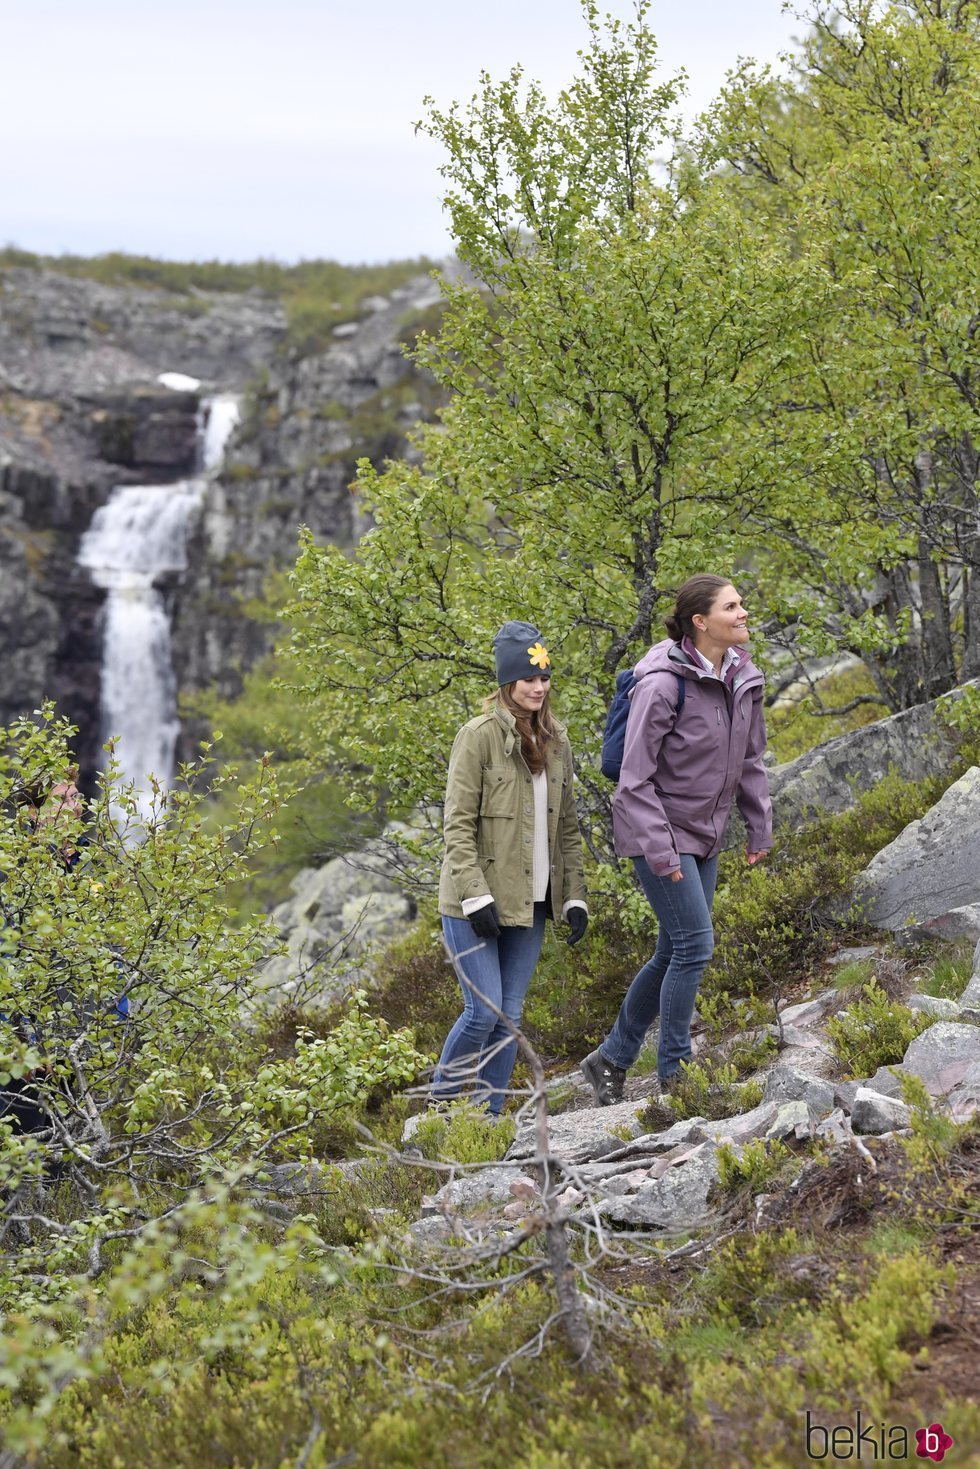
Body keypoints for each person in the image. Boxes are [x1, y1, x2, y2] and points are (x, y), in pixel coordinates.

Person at [581, 575, 772, 1106]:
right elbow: (633, 779)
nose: (742, 612)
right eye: (731, 606)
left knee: (673, 950)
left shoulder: (743, 675)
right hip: (657, 832)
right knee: (695, 946)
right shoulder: (663, 684)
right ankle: (676, 1074)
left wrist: (758, 826)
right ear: (700, 621)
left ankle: (610, 1059)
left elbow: (750, 760)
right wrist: (662, 853)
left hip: (705, 833)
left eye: (741, 603)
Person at [434, 620, 589, 1116]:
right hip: (473, 903)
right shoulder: (477, 738)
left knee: (509, 1017)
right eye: (529, 679)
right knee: (483, 1012)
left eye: (545, 678)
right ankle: (438, 1113)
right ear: (507, 681)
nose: (539, 688)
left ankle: (488, 1118)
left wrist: (574, 895)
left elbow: (566, 827)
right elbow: (456, 827)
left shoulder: (558, 741)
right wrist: (476, 895)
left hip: (533, 900)